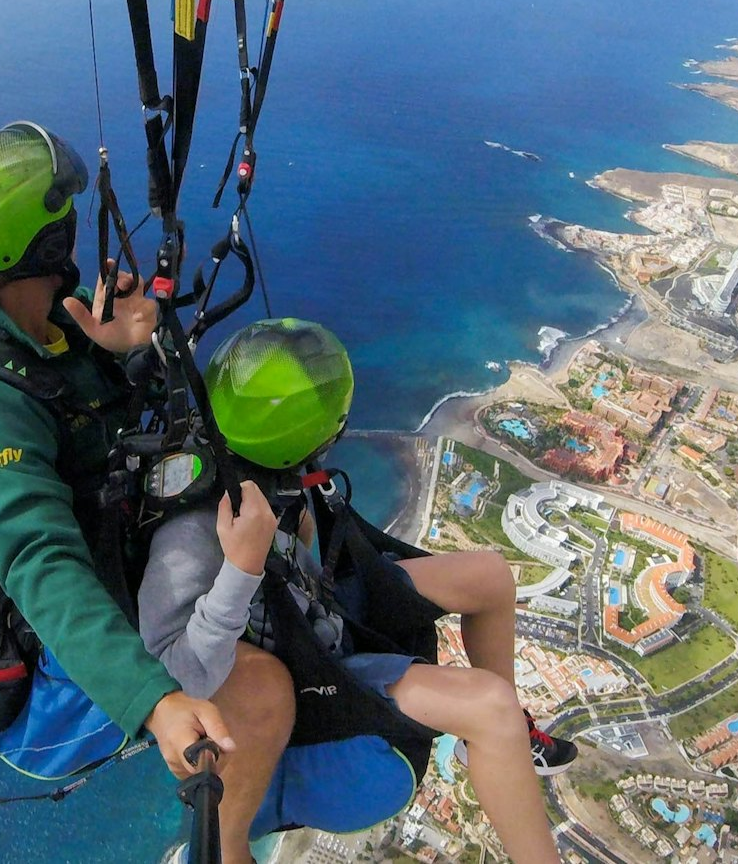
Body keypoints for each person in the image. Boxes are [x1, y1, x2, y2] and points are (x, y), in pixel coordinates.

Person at [0, 122, 295, 864]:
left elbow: (96, 443)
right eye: (62, 221)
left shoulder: (51, 328)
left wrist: (121, 355)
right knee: (267, 689)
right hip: (86, 609)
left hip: (125, 543)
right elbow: (38, 563)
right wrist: (152, 702)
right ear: (49, 245)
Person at [139, 318, 577, 864]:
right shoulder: (190, 536)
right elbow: (178, 673)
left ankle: (500, 744)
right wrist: (240, 569)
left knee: (490, 576)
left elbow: (301, 567)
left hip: (319, 611)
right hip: (314, 672)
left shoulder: (260, 473)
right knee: (491, 706)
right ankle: (508, 754)